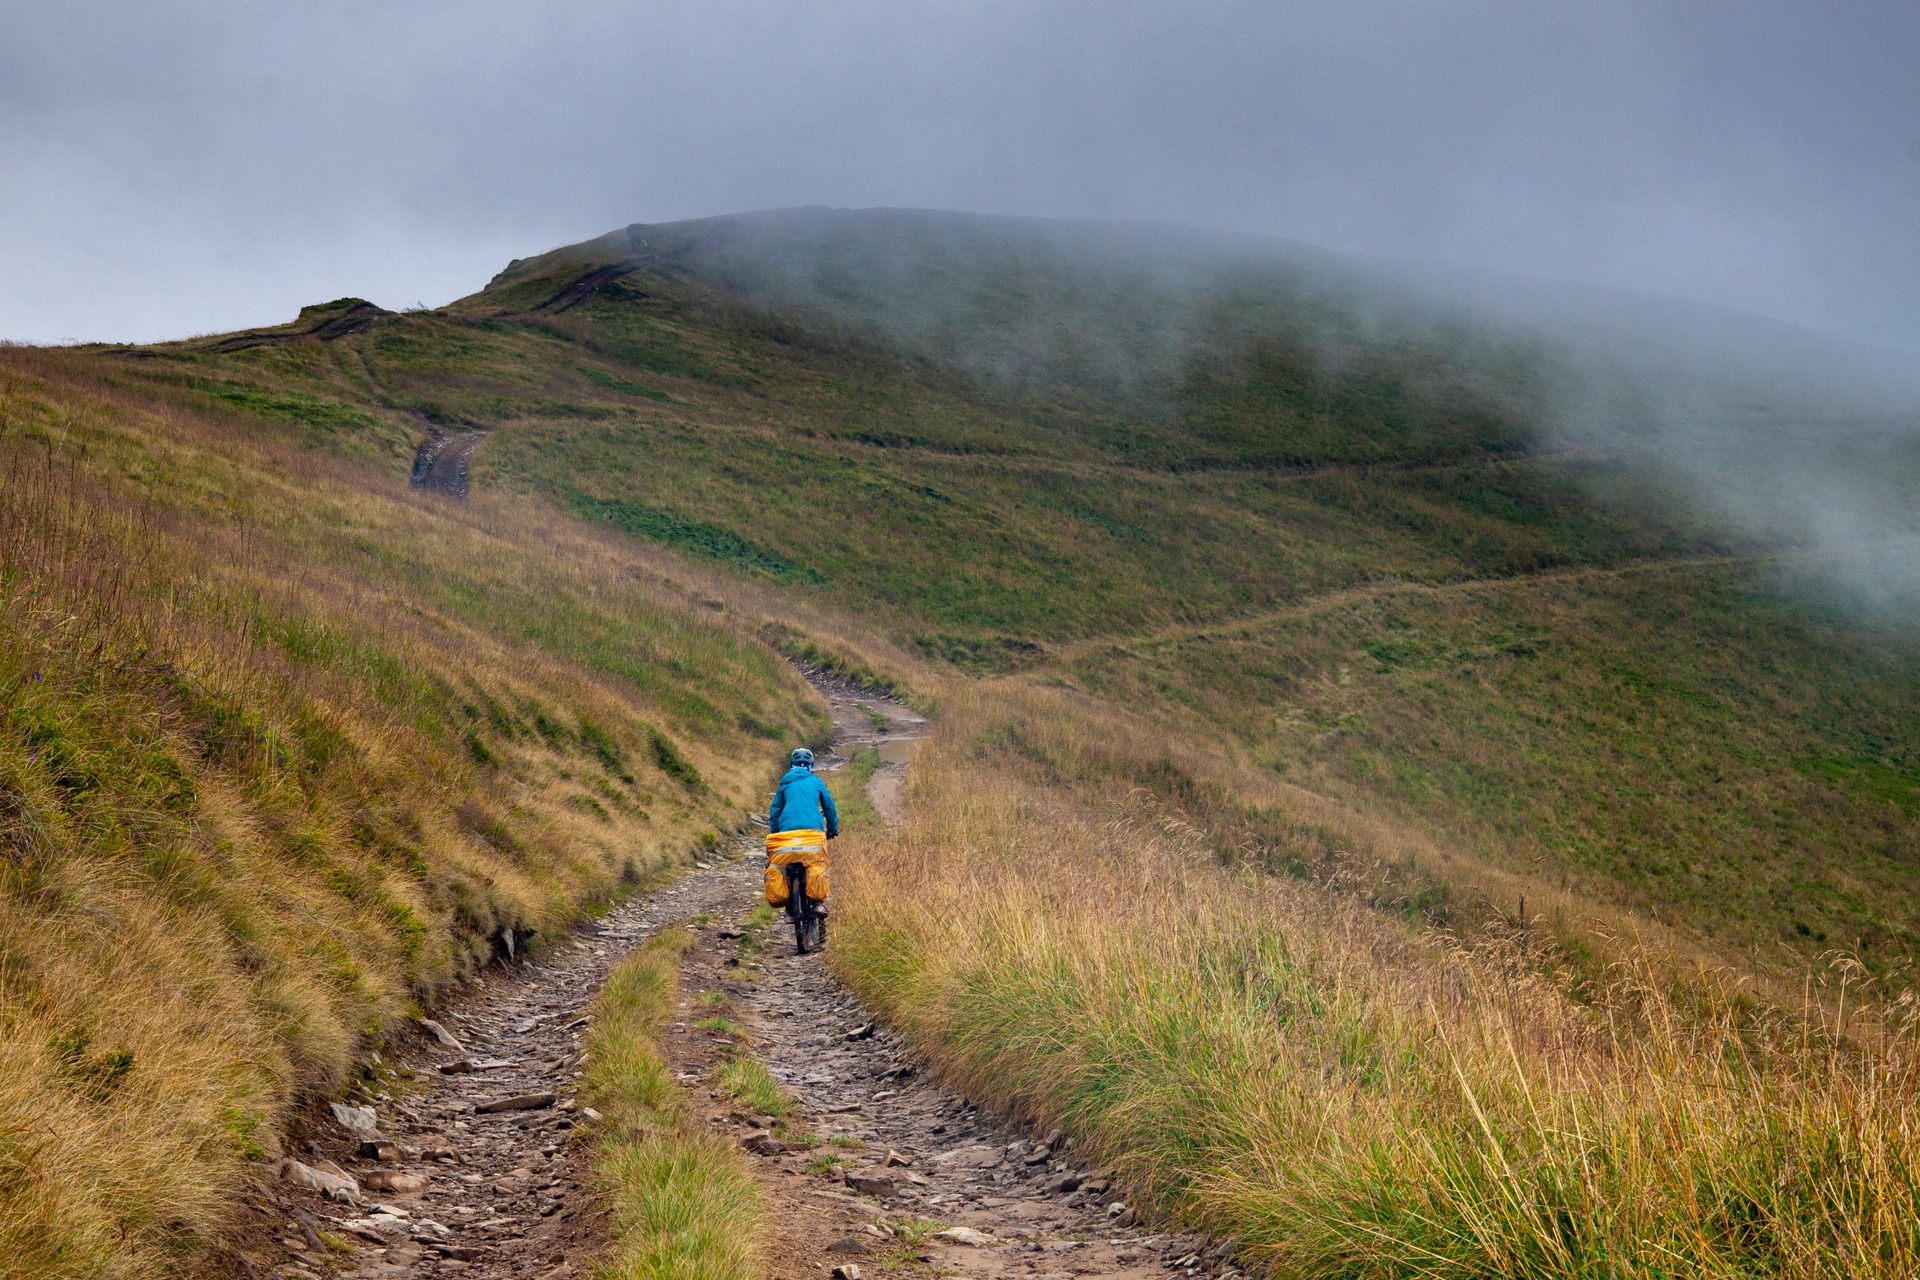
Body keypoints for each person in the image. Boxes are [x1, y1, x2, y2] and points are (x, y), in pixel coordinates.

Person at [770, 747, 838, 839]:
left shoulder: (786, 783)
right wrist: (832, 829)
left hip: (787, 829)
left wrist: (775, 832)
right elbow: (829, 807)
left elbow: (775, 810)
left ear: (792, 765)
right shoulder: (817, 782)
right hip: (814, 828)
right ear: (811, 765)